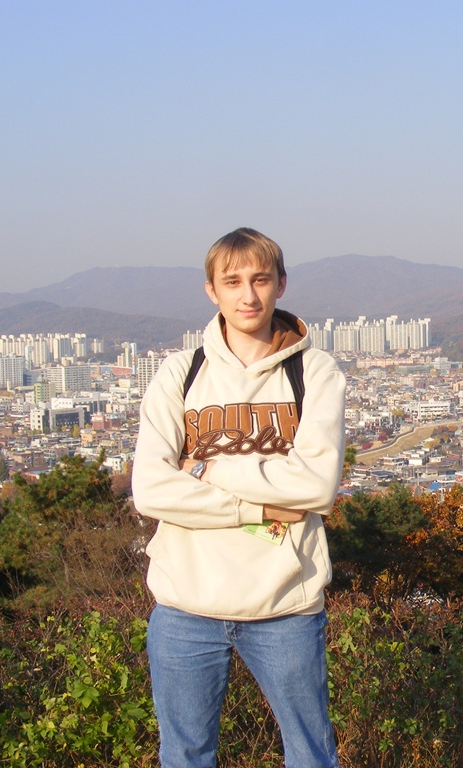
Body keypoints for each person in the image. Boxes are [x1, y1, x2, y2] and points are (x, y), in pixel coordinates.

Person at [132, 227, 346, 768]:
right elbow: (150, 488)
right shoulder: (181, 373)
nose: (248, 295)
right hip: (186, 605)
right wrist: (259, 504)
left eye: (260, 280)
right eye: (232, 282)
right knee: (185, 756)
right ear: (212, 290)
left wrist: (204, 469)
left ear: (281, 285)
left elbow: (316, 485)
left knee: (311, 755)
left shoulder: (312, 372)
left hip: (285, 604)